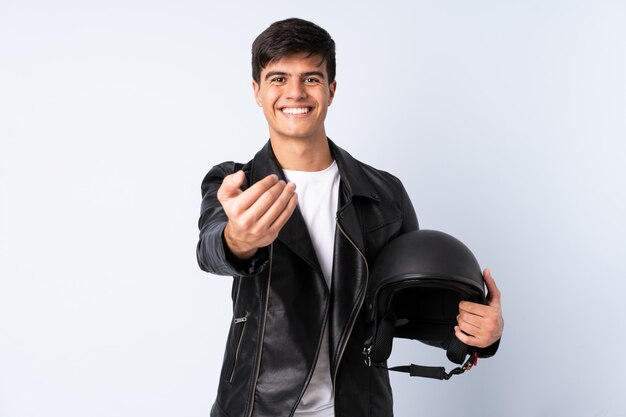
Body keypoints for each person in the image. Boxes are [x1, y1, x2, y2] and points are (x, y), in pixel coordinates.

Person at [196, 17, 503, 417]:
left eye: (310, 78)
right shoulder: (234, 183)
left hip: (361, 406)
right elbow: (210, 249)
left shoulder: (384, 193)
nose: (294, 92)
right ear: (256, 91)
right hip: (257, 407)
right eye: (278, 79)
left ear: (331, 89)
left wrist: (480, 333)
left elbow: (406, 308)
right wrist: (238, 240)